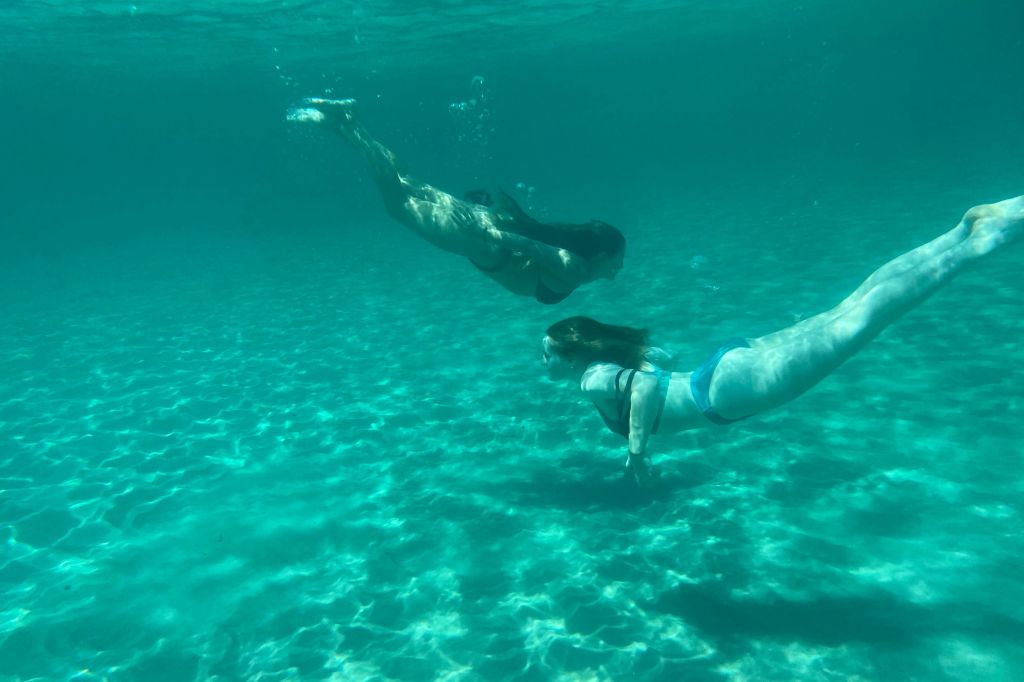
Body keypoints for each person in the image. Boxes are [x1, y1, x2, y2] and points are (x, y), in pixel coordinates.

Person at [541, 195, 1024, 485]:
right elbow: (654, 368)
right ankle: (963, 230)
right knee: (851, 311)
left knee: (862, 321)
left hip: (727, 391)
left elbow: (645, 391)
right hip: (727, 369)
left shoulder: (590, 381)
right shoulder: (610, 364)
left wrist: (637, 452)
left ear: (573, 352)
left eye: (548, 355)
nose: (544, 364)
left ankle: (984, 241)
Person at [287, 98, 625, 304]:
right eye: (617, 261)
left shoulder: (575, 259)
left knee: (405, 182)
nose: (618, 269)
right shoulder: (577, 269)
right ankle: (350, 121)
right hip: (486, 244)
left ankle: (342, 124)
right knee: (398, 203)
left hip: (489, 230)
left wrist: (494, 229)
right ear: (600, 254)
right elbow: (537, 250)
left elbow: (539, 245)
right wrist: (491, 236)